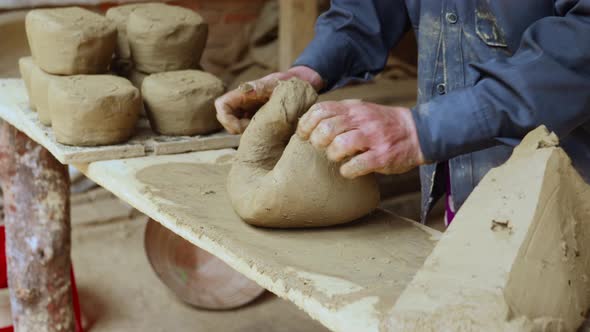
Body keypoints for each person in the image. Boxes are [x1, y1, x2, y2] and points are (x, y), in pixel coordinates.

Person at [215, 0, 590, 224]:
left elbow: (580, 44)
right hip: (467, 187)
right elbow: (367, 10)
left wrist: (420, 130)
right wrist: (309, 70)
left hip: (571, 187)